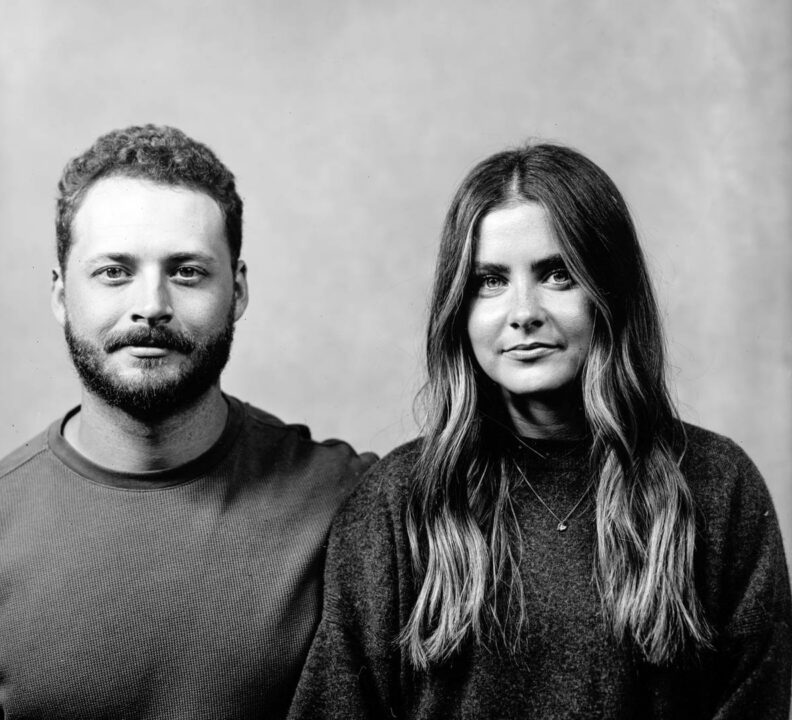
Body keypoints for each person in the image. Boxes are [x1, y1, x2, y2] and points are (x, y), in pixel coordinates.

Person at [288, 144, 792, 719]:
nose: (523, 311)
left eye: (557, 274)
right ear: (459, 308)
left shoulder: (717, 486)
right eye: (490, 280)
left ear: (609, 293)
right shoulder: (396, 502)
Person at [0, 124, 375, 719]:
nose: (152, 305)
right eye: (114, 271)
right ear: (60, 294)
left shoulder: (349, 503)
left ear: (239, 289)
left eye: (188, 271)